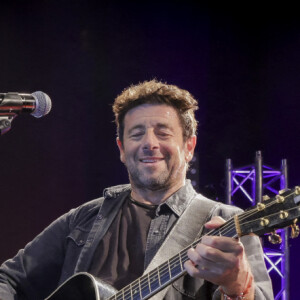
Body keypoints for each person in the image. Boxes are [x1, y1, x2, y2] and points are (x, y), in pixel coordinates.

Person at [0, 80, 273, 300]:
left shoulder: (227, 226)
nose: (149, 143)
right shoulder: (84, 219)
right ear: (121, 149)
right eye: (136, 133)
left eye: (163, 133)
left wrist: (239, 287)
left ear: (189, 147)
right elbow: (8, 279)